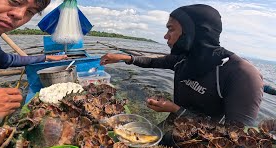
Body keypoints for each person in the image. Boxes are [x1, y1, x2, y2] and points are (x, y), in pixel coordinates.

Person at [100, 4, 264, 128]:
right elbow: (152, 62)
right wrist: (123, 58)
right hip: (175, 123)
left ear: (193, 32)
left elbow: (239, 138)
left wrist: (175, 109)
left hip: (203, 146)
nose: (165, 36)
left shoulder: (241, 74)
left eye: (171, 29)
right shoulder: (184, 58)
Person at [0, 0, 68, 128]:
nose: (20, 15)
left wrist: (45, 57)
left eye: (30, 11)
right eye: (15, 1)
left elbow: (7, 60)